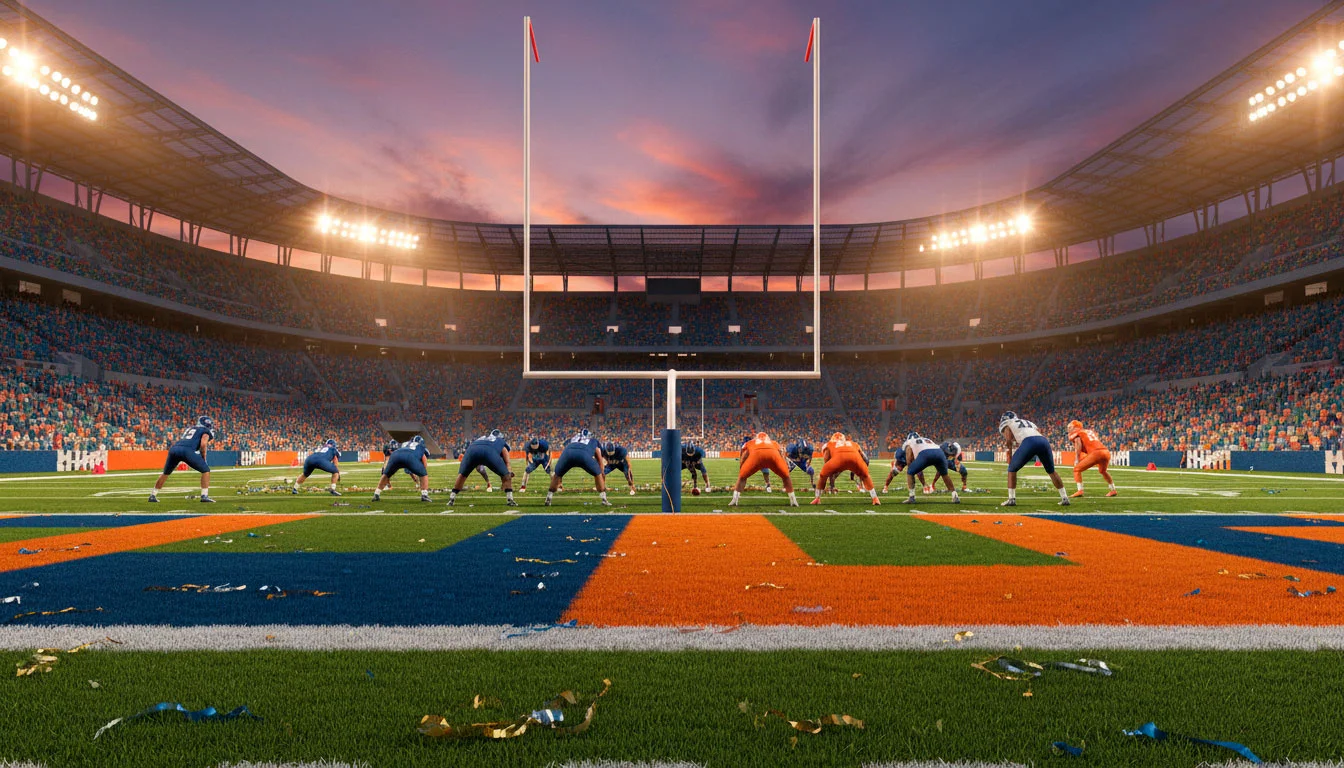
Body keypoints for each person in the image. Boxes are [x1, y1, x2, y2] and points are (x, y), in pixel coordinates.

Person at [998, 411, 1069, 507]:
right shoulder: (1028, 422)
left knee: (1012, 469)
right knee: (1051, 471)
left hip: (1029, 442)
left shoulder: (1009, 423)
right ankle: (1065, 498)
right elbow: (1036, 433)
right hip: (1043, 441)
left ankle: (1011, 499)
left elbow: (1009, 438)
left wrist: (1009, 454)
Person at [150, 415, 217, 503]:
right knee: (206, 471)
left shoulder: (191, 428)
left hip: (174, 449)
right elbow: (203, 444)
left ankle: (153, 495)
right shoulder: (205, 431)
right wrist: (203, 457)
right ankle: (204, 495)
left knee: (165, 473)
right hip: (187, 451)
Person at [730, 432, 799, 507]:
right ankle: (793, 500)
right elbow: (781, 454)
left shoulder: (751, 443)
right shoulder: (774, 443)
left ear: (757, 438)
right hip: (772, 455)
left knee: (742, 477)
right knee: (786, 477)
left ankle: (734, 500)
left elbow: (744, 455)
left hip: (757, 456)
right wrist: (785, 466)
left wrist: (742, 466)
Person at [449, 430, 515, 506]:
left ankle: (452, 498)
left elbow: (477, 462)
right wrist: (508, 473)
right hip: (489, 452)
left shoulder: (481, 438)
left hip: (471, 451)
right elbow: (507, 462)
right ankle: (510, 499)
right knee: (506, 475)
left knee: (462, 475)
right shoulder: (500, 441)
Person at [813, 432, 880, 506]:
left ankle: (817, 498)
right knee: (866, 476)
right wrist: (864, 469)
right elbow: (865, 458)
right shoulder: (853, 443)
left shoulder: (830, 444)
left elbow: (826, 460)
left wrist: (829, 471)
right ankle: (875, 498)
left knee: (822, 476)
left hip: (838, 459)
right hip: (854, 459)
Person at [547, 429, 611, 506]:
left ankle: (549, 498)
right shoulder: (593, 441)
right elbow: (599, 457)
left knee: (557, 475)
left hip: (568, 453)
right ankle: (604, 499)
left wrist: (559, 471)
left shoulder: (572, 439)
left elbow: (564, 448)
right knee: (598, 474)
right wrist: (601, 472)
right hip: (584, 454)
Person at [899, 432, 960, 504]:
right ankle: (955, 495)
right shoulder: (926, 439)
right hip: (939, 452)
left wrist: (910, 467)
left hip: (925, 454)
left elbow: (909, 457)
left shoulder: (909, 442)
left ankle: (911, 497)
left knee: (910, 472)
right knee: (945, 475)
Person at [374, 435, 431, 502]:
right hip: (410, 457)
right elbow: (424, 461)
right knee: (424, 474)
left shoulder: (405, 443)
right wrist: (421, 472)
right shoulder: (421, 446)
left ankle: (376, 494)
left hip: (395, 455)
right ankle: (424, 495)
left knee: (386, 475)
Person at [1068, 419, 1117, 498]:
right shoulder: (1088, 431)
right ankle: (1113, 489)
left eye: (1070, 427)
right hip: (1105, 452)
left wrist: (1077, 458)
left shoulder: (1076, 433)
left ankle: (1080, 490)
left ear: (1075, 427)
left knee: (1076, 469)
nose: (1069, 428)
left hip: (1096, 453)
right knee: (1103, 471)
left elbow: (1078, 444)